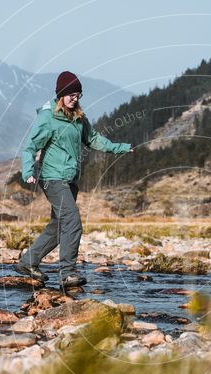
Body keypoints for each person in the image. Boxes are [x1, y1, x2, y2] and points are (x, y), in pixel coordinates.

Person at [14, 71, 133, 289]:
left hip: (70, 180)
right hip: (52, 178)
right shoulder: (47, 118)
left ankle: (27, 262)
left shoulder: (79, 118)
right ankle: (67, 273)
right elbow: (30, 146)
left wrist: (120, 148)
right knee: (72, 222)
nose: (74, 98)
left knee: (58, 226)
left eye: (77, 94)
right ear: (61, 94)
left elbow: (94, 139)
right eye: (70, 94)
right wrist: (28, 171)